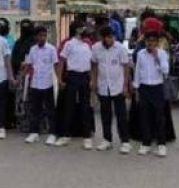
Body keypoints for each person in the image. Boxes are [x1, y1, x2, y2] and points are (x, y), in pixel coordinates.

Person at [133, 30, 175, 157]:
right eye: (148, 41)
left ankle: (161, 144)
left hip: (157, 87)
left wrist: (157, 57)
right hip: (144, 87)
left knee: (159, 117)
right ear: (144, 41)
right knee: (144, 116)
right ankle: (146, 143)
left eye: (153, 41)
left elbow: (165, 71)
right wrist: (136, 88)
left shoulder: (162, 53)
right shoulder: (140, 54)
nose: (150, 43)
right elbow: (137, 71)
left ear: (157, 42)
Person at [91, 26, 131, 153]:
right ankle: (107, 140)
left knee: (121, 115)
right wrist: (94, 81)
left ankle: (125, 141)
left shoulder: (120, 48)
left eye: (111, 37)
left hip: (118, 86)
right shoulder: (96, 48)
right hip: (103, 86)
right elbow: (94, 65)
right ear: (101, 38)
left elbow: (126, 67)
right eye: (107, 37)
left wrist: (125, 85)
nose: (109, 39)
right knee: (105, 115)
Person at [57, 21, 94, 149]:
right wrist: (59, 79)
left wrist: (91, 79)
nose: (84, 30)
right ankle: (65, 135)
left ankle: (87, 137)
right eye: (82, 27)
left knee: (85, 107)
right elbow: (61, 62)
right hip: (72, 76)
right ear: (76, 30)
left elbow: (91, 62)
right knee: (69, 106)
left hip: (84, 76)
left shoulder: (88, 44)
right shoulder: (68, 44)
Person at [23, 26, 60, 146]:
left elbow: (56, 65)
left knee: (50, 110)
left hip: (48, 83)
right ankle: (34, 132)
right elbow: (29, 65)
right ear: (36, 37)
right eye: (40, 35)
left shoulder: (51, 49)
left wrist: (59, 79)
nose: (42, 38)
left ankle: (53, 133)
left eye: (44, 35)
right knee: (35, 110)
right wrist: (23, 78)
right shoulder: (33, 49)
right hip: (35, 83)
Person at [11, 19, 36, 132]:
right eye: (23, 27)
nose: (25, 29)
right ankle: (22, 124)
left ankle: (34, 123)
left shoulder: (36, 43)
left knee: (33, 100)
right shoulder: (18, 43)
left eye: (28, 27)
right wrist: (19, 64)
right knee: (21, 100)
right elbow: (13, 59)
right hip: (21, 76)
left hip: (34, 76)